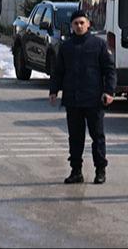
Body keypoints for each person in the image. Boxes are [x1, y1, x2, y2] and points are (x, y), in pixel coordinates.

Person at [48, 11, 114, 185]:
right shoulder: (66, 47)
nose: (79, 26)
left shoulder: (98, 45)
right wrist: (54, 90)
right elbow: (58, 72)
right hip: (73, 100)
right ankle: (76, 171)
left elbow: (109, 70)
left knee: (97, 137)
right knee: (75, 138)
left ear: (88, 24)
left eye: (81, 23)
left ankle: (100, 170)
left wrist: (109, 91)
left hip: (94, 100)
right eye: (76, 23)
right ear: (72, 25)